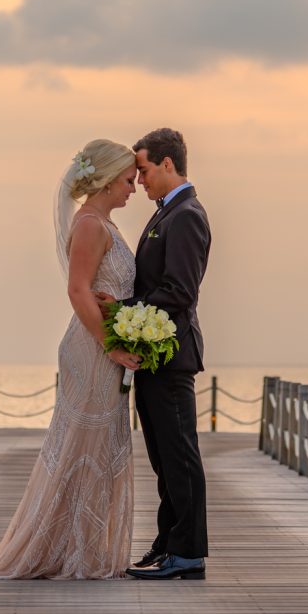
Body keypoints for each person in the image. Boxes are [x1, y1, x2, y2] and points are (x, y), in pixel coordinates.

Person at [0, 139, 140, 579]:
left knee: (101, 446)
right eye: (128, 181)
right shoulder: (89, 224)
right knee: (81, 447)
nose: (134, 189)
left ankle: (83, 546)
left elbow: (103, 289)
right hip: (92, 350)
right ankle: (67, 549)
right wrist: (112, 344)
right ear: (106, 180)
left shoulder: (104, 222)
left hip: (105, 346)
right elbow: (77, 290)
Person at [118, 128, 212, 580]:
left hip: (172, 356)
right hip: (154, 354)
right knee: (162, 457)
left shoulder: (187, 216)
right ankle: (168, 542)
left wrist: (123, 314)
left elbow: (178, 291)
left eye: (144, 169)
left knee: (179, 455)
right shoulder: (167, 214)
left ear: (168, 164)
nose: (140, 181)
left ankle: (188, 553)